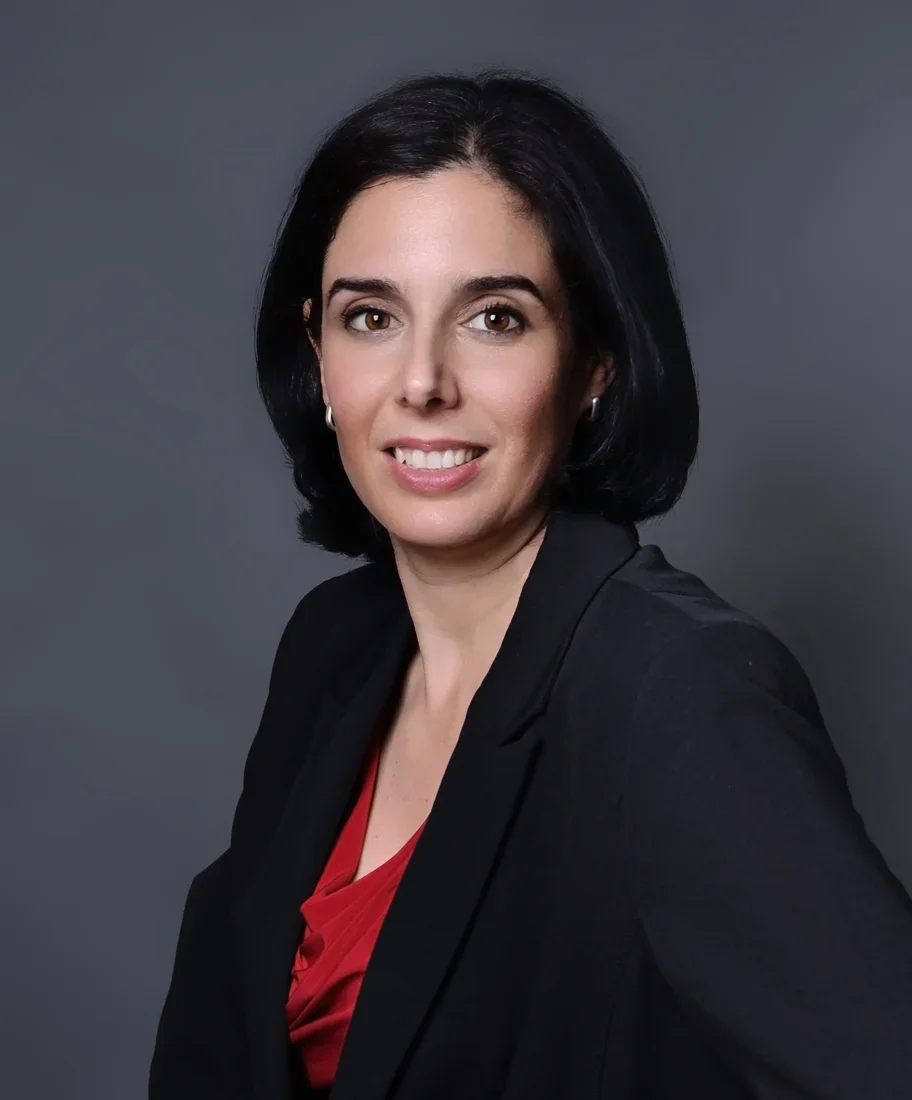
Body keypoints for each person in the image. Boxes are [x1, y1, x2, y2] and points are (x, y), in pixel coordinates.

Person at [149, 69, 912, 1100]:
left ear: (594, 360)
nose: (422, 381)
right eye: (371, 316)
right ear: (317, 353)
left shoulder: (676, 689)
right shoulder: (334, 646)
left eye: (494, 318)